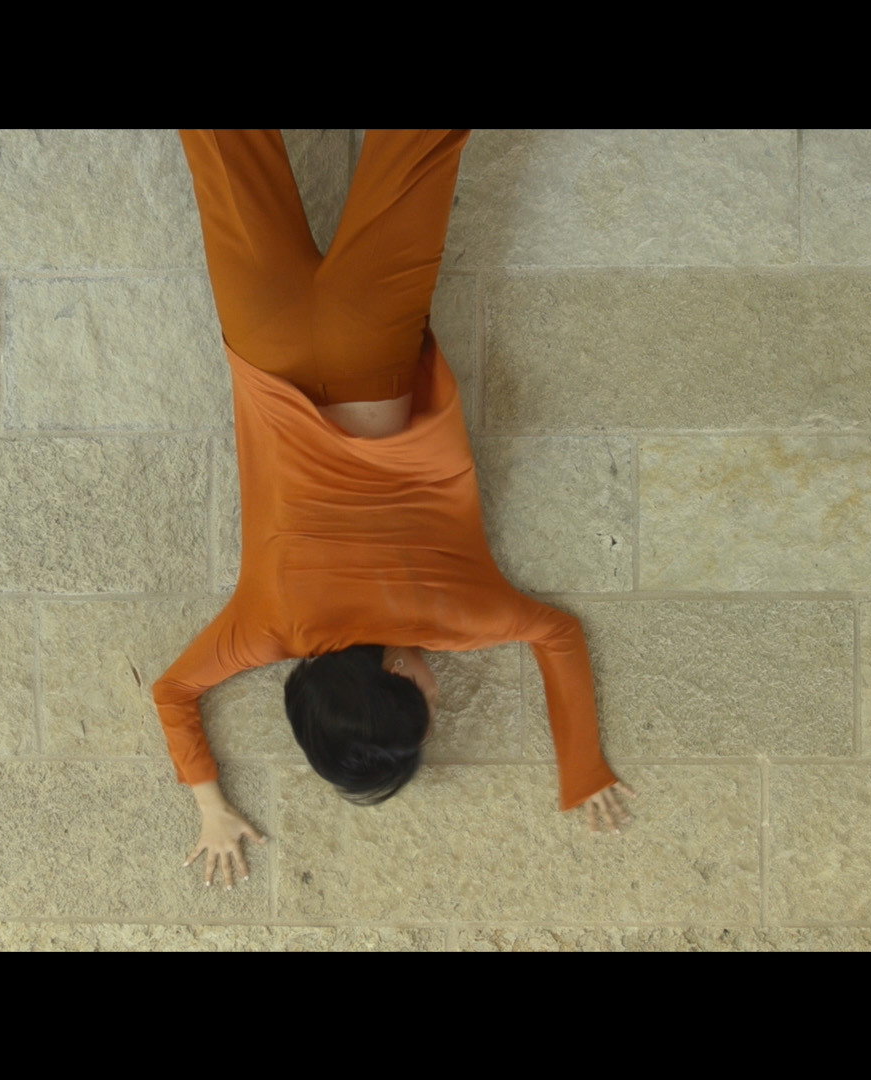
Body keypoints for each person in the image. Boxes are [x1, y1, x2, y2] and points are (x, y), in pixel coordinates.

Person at [156, 130, 634, 890]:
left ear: (396, 671)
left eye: (425, 708)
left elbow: (558, 635)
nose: (438, 703)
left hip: (369, 339)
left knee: (419, 147)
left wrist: (582, 768)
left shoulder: (457, 615)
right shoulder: (268, 627)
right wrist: (209, 806)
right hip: (265, 336)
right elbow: (174, 692)